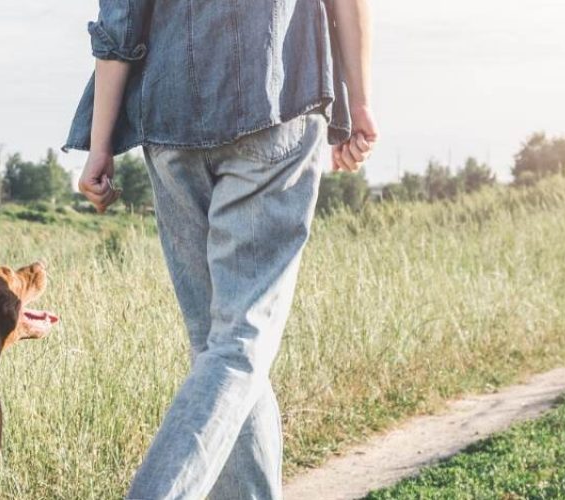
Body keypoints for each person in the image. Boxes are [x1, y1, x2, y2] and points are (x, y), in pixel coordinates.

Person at [64, 1, 376, 498]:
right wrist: (357, 101)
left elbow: (119, 20)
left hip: (170, 121)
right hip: (275, 98)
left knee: (219, 347)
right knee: (237, 344)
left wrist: (100, 144)